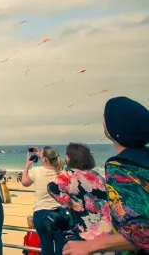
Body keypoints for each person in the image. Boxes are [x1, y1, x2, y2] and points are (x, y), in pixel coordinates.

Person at [63, 96, 149, 255]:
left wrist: (91, 246)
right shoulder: (143, 162)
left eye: (105, 116)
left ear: (114, 128)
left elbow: (143, 233)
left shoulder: (122, 168)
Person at [46, 143, 111, 243]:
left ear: (69, 158)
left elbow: (51, 188)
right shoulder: (97, 175)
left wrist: (69, 202)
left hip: (84, 228)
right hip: (105, 228)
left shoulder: (69, 175)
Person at [21, 146, 65, 255]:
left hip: (41, 214)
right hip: (60, 213)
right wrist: (42, 155)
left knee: (46, 248)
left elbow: (25, 182)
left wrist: (27, 165)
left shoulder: (36, 171)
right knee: (61, 248)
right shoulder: (62, 171)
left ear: (44, 159)